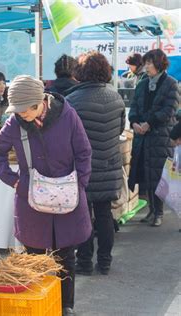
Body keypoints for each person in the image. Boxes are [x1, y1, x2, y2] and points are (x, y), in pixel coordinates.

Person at [0, 75, 92, 316]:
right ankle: (35, 305)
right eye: (17, 110)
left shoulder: (68, 116)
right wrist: (15, 181)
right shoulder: (14, 123)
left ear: (41, 101)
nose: (21, 114)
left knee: (66, 256)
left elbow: (84, 152)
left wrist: (80, 185)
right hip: (31, 202)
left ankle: (66, 306)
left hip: (68, 198)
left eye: (25, 110)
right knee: (32, 256)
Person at [65, 51, 126, 276]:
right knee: (104, 215)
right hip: (109, 165)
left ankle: (84, 263)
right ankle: (105, 262)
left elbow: (66, 137)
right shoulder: (117, 98)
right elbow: (120, 130)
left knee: (83, 216)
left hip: (83, 167)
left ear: (80, 72)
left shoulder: (72, 100)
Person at [128, 49, 179, 227]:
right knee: (146, 175)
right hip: (142, 137)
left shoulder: (171, 84)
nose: (147, 66)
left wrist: (149, 123)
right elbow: (133, 106)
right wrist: (133, 122)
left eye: (150, 63)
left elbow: (169, 110)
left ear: (159, 64)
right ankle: (151, 210)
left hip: (160, 137)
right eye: (146, 63)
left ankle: (158, 212)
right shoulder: (142, 83)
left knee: (159, 175)